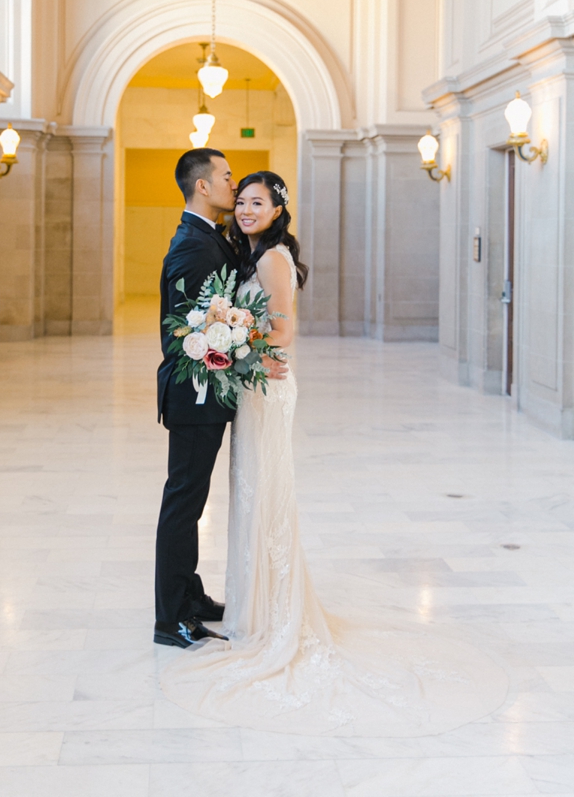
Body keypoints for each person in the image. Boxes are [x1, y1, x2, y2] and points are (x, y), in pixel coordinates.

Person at [159, 170, 508, 736]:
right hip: (248, 389)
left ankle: (273, 611)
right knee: (249, 492)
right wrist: (232, 341)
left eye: (257, 202)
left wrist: (238, 343)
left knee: (265, 491)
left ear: (277, 211)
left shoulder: (271, 260)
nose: (245, 209)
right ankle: (254, 606)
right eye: (241, 199)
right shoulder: (247, 253)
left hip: (266, 391)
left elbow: (284, 333)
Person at [153, 148, 285, 649]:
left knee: (192, 499)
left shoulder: (210, 237)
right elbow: (195, 329)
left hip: (210, 393)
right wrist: (253, 346)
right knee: (184, 503)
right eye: (227, 177)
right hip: (193, 394)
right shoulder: (192, 244)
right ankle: (171, 619)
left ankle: (191, 595)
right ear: (203, 186)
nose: (234, 185)